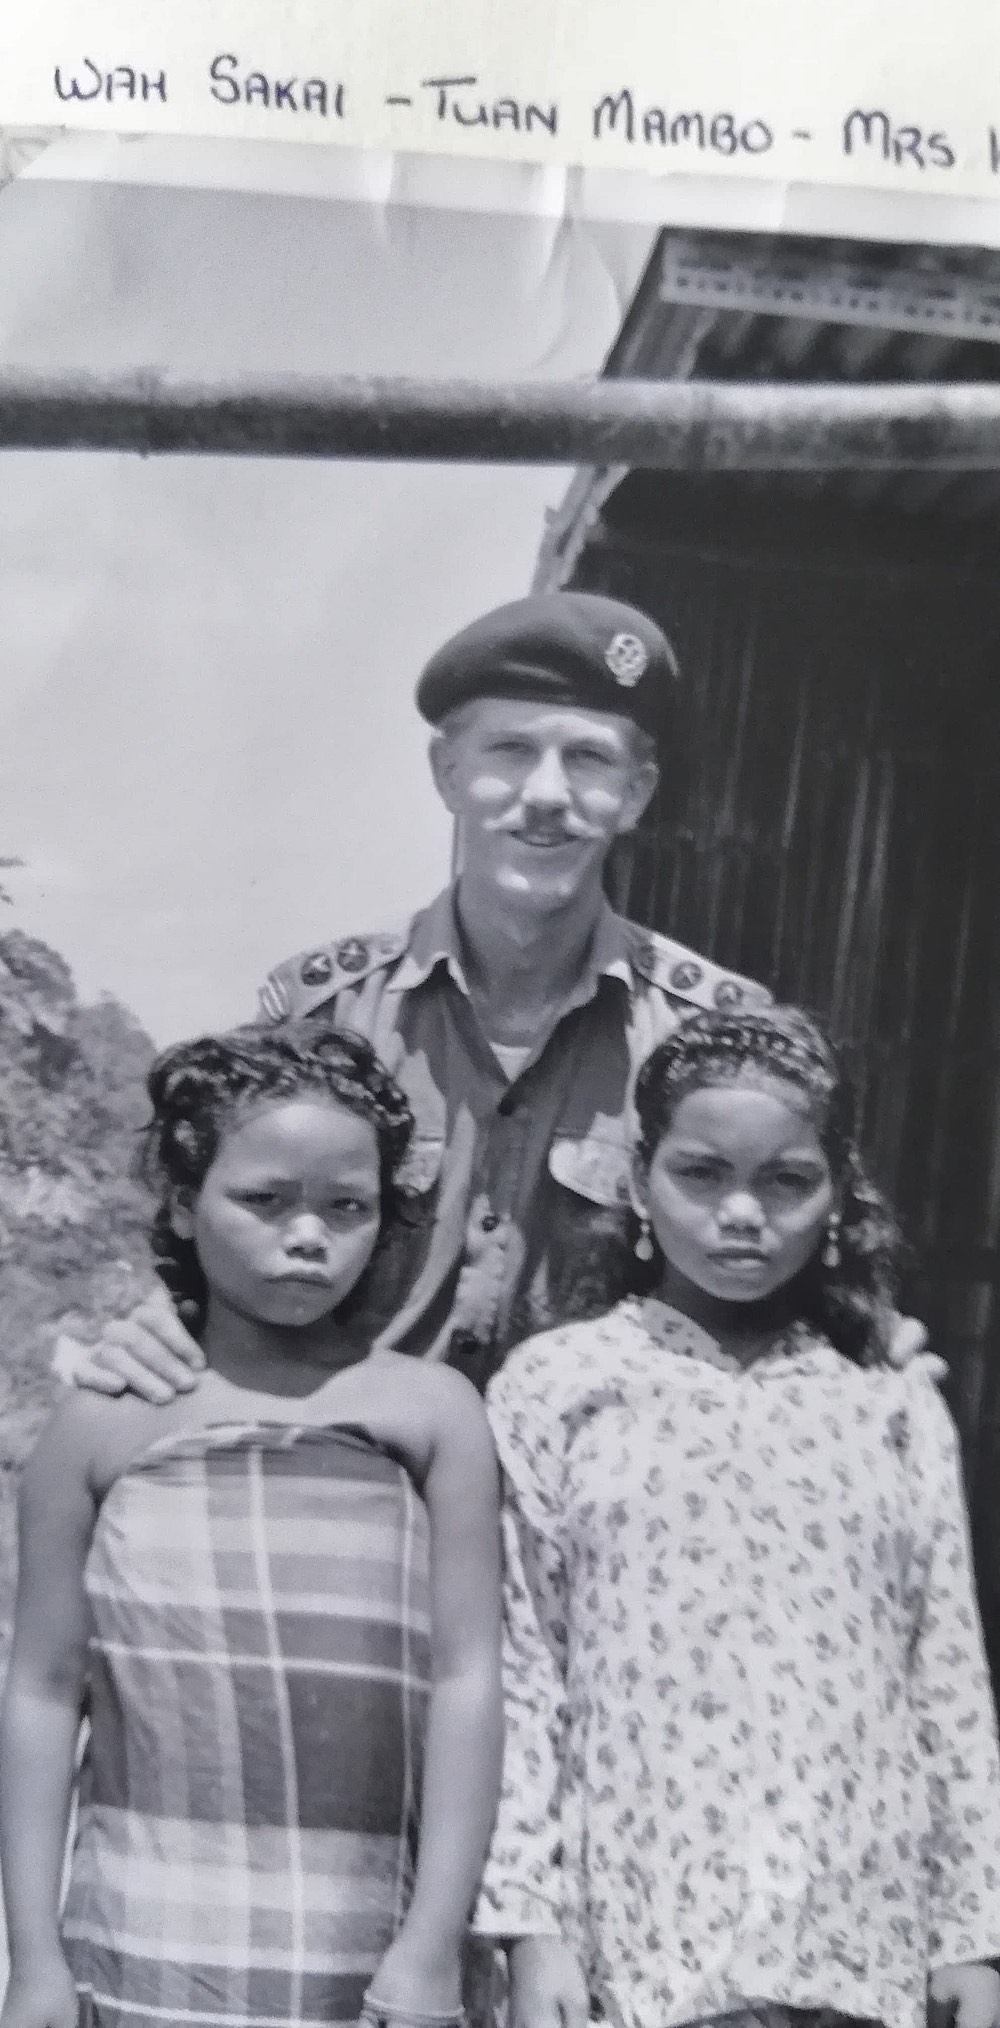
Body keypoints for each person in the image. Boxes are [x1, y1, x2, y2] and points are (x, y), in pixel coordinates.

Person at [65, 591, 927, 1401]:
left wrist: (860, 1346)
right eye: (510, 751)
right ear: (447, 773)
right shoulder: (319, 1016)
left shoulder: (713, 1036)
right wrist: (161, 1321)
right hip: (365, 1489)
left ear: (636, 794)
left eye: (589, 758)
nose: (547, 795)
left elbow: (789, 1261)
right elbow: (223, 1244)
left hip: (599, 1503)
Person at [475, 1005, 1000, 2028]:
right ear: (638, 1185)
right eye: (701, 1174)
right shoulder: (557, 1385)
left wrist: (973, 1934)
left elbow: (946, 1678)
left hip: (857, 1929)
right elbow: (527, 1670)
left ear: (838, 1195)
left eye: (786, 1182)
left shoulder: (886, 1401)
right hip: (641, 1927)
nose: (743, 1213)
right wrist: (529, 1924)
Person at [0, 1022, 503, 2028]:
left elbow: (468, 1679)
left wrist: (433, 1939)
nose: (309, 1235)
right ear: (185, 1206)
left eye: (347, 1206)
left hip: (363, 1955)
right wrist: (35, 1959)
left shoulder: (431, 1414)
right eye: (264, 1201)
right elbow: (45, 1688)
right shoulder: (102, 1422)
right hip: (144, 1947)